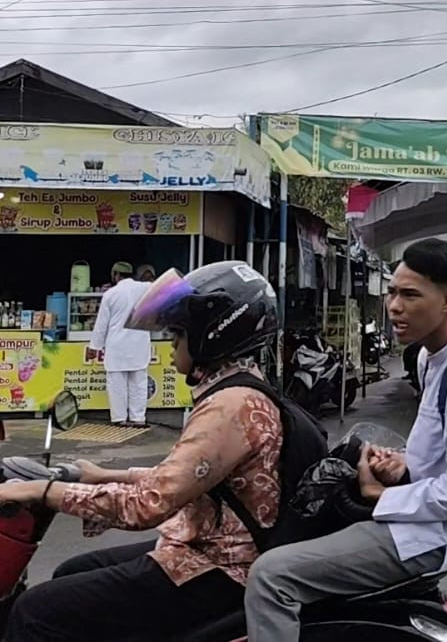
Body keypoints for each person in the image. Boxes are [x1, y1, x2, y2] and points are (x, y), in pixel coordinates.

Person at [244, 238, 447, 641]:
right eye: (392, 292)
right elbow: (446, 451)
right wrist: (405, 462)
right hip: (425, 516)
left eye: (410, 295)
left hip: (436, 532)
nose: (394, 306)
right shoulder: (432, 357)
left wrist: (380, 495)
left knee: (271, 576)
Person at [0, 262, 285, 642]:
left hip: (219, 565)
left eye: (178, 335)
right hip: (209, 545)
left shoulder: (230, 408)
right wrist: (102, 475)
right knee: (72, 572)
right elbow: (182, 478)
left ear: (211, 337)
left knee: (35, 612)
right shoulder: (239, 390)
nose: (169, 345)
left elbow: (147, 505)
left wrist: (41, 492)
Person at [88, 260, 152, 428]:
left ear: (116, 275)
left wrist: (94, 347)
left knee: (117, 384)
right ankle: (139, 418)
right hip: (139, 343)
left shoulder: (111, 294)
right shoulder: (145, 289)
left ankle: (119, 418)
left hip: (117, 345)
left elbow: (102, 324)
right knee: (138, 383)